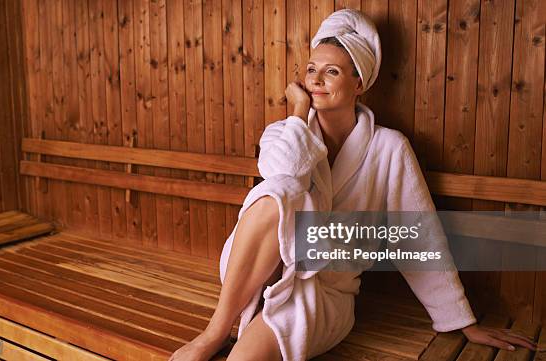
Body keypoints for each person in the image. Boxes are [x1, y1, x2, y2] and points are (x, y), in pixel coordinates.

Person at [169, 9, 538, 361]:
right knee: (274, 195)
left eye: (330, 72)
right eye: (311, 70)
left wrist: (462, 322)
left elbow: (418, 234)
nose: (314, 80)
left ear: (358, 82)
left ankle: (246, 332)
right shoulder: (284, 133)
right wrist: (298, 113)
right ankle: (215, 331)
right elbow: (283, 178)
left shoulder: (388, 149)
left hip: (323, 294)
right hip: (255, 276)